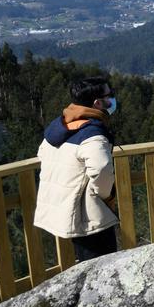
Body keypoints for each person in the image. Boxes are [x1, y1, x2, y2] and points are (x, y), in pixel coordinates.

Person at [34, 76, 120, 263]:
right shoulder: (92, 133)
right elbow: (101, 168)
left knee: (85, 260)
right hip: (89, 212)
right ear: (97, 103)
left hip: (65, 205)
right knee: (101, 266)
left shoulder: (60, 126)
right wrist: (105, 196)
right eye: (109, 95)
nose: (112, 99)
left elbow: (42, 155)